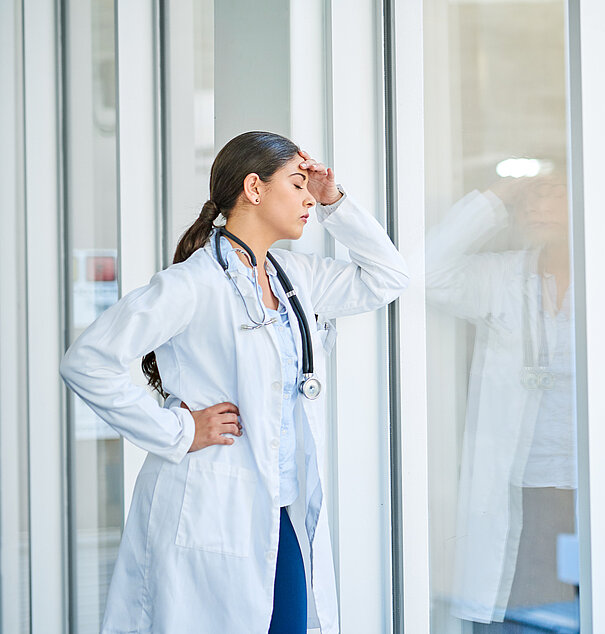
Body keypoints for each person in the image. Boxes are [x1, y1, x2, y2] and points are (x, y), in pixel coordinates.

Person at [59, 131, 409, 634]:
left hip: (281, 506)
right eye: (298, 183)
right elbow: (87, 362)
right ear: (254, 187)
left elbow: (387, 278)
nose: (309, 196)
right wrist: (179, 430)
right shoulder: (192, 284)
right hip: (209, 504)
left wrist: (336, 201)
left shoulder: (297, 276)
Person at [425, 174, 579, 627]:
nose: (538, 204)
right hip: (525, 487)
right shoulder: (502, 275)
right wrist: (493, 199)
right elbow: (428, 273)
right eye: (530, 195)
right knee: (530, 613)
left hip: (594, 480)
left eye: (555, 191)